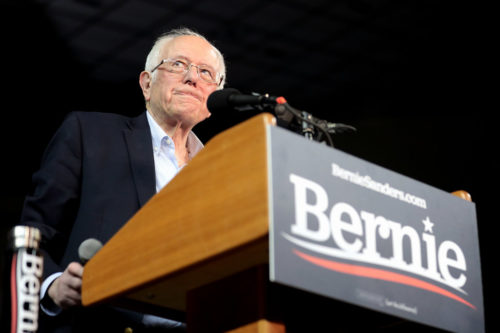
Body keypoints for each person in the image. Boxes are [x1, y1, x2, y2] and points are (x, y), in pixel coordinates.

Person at [19, 27, 226, 332]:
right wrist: (52, 286)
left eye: (206, 72)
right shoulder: (89, 134)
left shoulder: (223, 172)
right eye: (178, 64)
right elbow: (34, 233)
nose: (192, 78)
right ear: (146, 83)